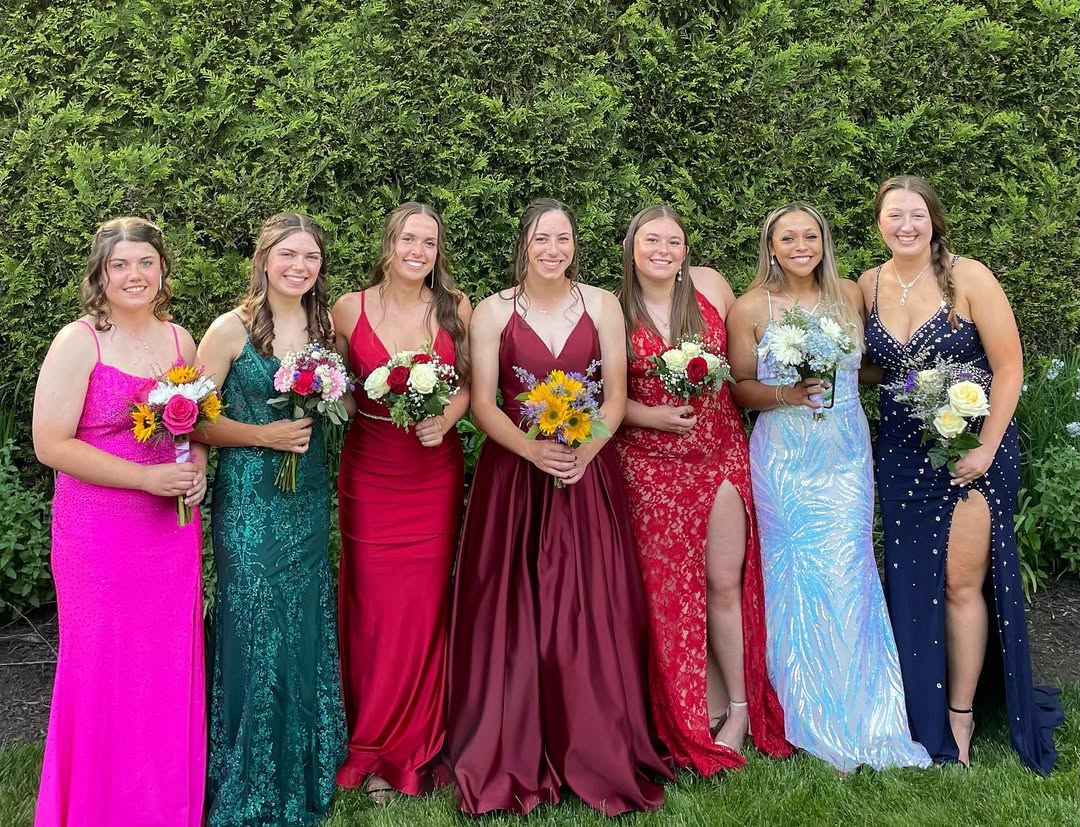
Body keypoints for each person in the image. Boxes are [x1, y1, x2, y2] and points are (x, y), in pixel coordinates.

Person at [445, 198, 672, 816]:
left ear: (576, 244)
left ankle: (594, 739)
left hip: (586, 473)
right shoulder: (492, 311)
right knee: (515, 607)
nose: (553, 249)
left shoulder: (601, 305)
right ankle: (514, 742)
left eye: (563, 238)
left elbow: (616, 397)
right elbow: (484, 403)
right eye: (542, 238)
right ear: (524, 244)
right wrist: (532, 450)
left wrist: (585, 451)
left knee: (587, 606)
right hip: (514, 479)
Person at [860, 176, 1061, 773]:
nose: (906, 226)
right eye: (894, 215)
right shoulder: (868, 284)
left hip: (969, 447)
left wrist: (987, 448)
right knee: (911, 579)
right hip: (901, 452)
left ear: (934, 220)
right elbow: (872, 367)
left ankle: (960, 715)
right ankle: (915, 706)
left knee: (960, 583)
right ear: (879, 222)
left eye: (916, 214)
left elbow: (1009, 367)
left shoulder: (969, 277)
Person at [726, 202, 931, 772]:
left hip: (844, 451)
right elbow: (739, 385)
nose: (801, 247)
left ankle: (865, 709)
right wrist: (786, 394)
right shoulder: (750, 307)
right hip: (784, 458)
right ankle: (798, 704)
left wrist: (920, 375)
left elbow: (866, 365)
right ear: (771, 246)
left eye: (810, 236)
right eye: (788, 238)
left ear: (824, 242)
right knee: (792, 575)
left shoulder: (849, 294)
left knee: (848, 569)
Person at [32, 217, 207, 826]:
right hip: (98, 533)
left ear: (163, 270)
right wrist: (144, 479)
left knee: (164, 665)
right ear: (100, 275)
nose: (135, 275)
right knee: (104, 664)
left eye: (146, 263)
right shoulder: (79, 341)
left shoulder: (181, 341)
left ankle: (163, 805)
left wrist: (196, 468)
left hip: (171, 532)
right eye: (120, 265)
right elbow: (50, 444)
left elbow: (195, 426)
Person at [613, 205, 792, 772]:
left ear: (685, 250)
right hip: (650, 466)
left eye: (673, 241)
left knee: (722, 582)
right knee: (667, 593)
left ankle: (738, 708)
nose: (662, 250)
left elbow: (745, 363)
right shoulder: (612, 309)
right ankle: (686, 710)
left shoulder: (712, 287)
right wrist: (651, 416)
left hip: (719, 454)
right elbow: (606, 399)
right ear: (632, 247)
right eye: (651, 240)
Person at [195, 212, 346, 824]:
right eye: (288, 254)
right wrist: (265, 434)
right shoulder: (228, 330)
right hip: (250, 502)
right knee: (254, 622)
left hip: (306, 498)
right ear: (263, 259)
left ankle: (305, 763)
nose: (298, 266)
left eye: (310, 257)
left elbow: (339, 405)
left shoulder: (325, 330)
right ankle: (248, 776)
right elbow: (193, 419)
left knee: (302, 620)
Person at [332, 203, 471, 802]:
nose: (418, 251)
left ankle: (418, 741)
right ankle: (371, 739)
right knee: (373, 606)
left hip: (432, 474)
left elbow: (470, 385)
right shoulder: (348, 308)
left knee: (423, 605)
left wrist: (449, 417)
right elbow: (335, 382)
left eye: (429, 242)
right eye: (408, 239)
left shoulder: (455, 307)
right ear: (387, 244)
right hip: (370, 473)